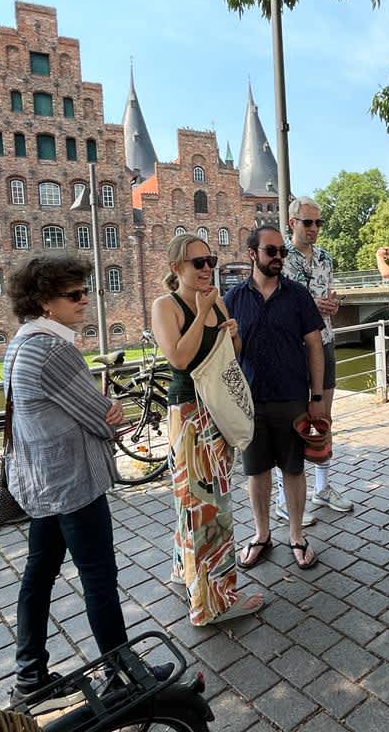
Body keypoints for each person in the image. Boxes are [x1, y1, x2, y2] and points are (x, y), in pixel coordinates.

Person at [3, 255, 161, 712]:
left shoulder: (21, 343)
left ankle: (29, 677)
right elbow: (103, 418)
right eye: (73, 295)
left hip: (40, 482)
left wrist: (103, 410)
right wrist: (109, 413)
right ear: (44, 302)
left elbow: (92, 410)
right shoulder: (53, 350)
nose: (83, 300)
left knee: (39, 574)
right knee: (98, 576)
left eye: (84, 291)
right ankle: (122, 673)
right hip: (71, 482)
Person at [151, 234, 265, 626]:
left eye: (210, 260)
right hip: (188, 413)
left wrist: (231, 331)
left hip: (216, 410)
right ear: (175, 268)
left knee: (205, 501)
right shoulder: (166, 305)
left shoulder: (216, 298)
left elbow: (228, 357)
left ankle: (187, 575)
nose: (206, 269)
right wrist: (202, 314)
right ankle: (213, 603)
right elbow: (180, 358)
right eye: (196, 263)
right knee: (205, 507)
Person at [224, 225, 326, 571]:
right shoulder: (233, 299)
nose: (279, 257)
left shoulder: (297, 295)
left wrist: (316, 396)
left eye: (282, 251)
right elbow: (223, 353)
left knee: (294, 469)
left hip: (292, 397)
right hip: (249, 401)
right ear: (252, 253)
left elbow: (314, 345)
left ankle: (296, 535)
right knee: (256, 471)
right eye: (272, 251)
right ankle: (262, 534)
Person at [278, 196, 353, 519]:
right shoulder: (279, 257)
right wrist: (311, 306)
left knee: (323, 415)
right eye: (307, 222)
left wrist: (331, 306)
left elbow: (327, 297)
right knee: (292, 419)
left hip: (323, 341)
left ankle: (322, 487)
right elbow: (276, 302)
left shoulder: (325, 258)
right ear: (292, 222)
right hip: (292, 346)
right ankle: (285, 499)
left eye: (318, 223)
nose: (314, 229)